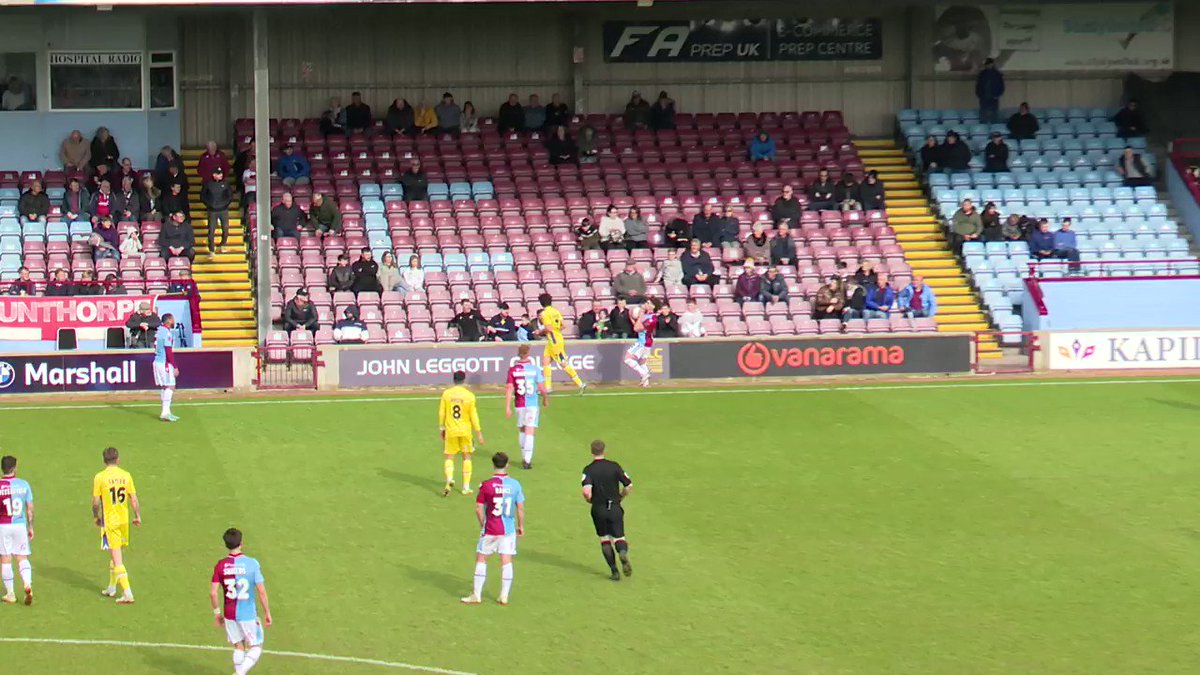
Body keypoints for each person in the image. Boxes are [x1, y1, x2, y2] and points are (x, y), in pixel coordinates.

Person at [461, 452, 524, 606]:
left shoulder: (486, 485)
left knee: (482, 558)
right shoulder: (515, 484)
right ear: (507, 465)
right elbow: (520, 508)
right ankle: (504, 596)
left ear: (493, 465)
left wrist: (483, 523)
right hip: (508, 530)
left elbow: (478, 508)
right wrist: (521, 526)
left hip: (490, 528)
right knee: (506, 560)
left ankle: (477, 595)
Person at [210, 527, 272, 675]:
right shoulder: (252, 563)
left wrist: (217, 613)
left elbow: (213, 593)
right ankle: (239, 673)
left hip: (229, 614)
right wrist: (267, 612)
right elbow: (261, 591)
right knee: (256, 646)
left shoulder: (220, 565)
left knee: (239, 646)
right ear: (241, 543)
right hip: (248, 613)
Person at [92, 446, 141, 603]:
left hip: (111, 522)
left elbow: (95, 502)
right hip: (123, 520)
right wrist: (137, 516)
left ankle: (128, 593)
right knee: (115, 552)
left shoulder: (100, 477)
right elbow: (133, 499)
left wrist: (96, 517)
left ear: (104, 461)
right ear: (118, 459)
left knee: (117, 558)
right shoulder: (126, 475)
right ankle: (112, 587)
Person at [581, 440, 633, 581]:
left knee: (604, 539)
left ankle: (614, 571)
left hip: (598, 508)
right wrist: (620, 496)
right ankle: (622, 551)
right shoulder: (614, 466)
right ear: (604, 450)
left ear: (592, 452)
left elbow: (586, 492)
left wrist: (589, 499)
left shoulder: (588, 470)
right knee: (619, 537)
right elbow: (629, 485)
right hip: (615, 506)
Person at [439, 370, 485, 496]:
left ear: (453, 380)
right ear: (463, 380)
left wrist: (441, 428)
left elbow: (442, 413)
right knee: (466, 457)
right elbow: (473, 415)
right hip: (465, 431)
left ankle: (449, 479)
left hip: (451, 430)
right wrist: (479, 432)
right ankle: (465, 487)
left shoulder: (446, 394)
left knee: (449, 456)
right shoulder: (469, 396)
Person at [505, 344, 549, 469]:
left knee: (522, 430)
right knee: (530, 430)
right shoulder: (534, 369)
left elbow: (509, 389)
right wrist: (545, 399)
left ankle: (524, 456)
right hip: (532, 404)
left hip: (519, 404)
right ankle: (527, 460)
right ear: (528, 354)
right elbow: (542, 388)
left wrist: (507, 407)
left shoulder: (513, 370)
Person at [0, 454, 34, 606]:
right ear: (14, 468)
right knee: (22, 557)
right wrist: (30, 526)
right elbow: (30, 509)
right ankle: (27, 584)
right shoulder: (24, 484)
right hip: (19, 525)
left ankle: (11, 594)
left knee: (5, 558)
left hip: (3, 525)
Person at [536, 293, 585, 393]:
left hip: (554, 341)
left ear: (541, 303)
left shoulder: (545, 313)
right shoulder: (556, 311)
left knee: (563, 363)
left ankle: (580, 383)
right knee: (545, 361)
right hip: (554, 340)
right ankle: (548, 387)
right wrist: (556, 330)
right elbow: (563, 326)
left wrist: (539, 332)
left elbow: (548, 329)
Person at [624, 298, 659, 388]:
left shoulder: (652, 318)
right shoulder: (646, 315)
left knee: (627, 359)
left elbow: (637, 328)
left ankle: (644, 374)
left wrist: (640, 316)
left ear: (653, 306)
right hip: (646, 342)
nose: (646, 304)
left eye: (648, 303)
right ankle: (646, 383)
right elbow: (636, 326)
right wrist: (632, 318)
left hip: (643, 342)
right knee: (642, 362)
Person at [152, 313, 180, 421]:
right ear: (168, 321)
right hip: (164, 363)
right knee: (170, 386)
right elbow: (168, 351)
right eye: (173, 319)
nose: (174, 321)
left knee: (165, 387)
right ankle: (165, 413)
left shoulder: (159, 331)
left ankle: (167, 412)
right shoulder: (167, 333)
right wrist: (175, 366)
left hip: (157, 361)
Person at [201, 169, 232, 254]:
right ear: (214, 174)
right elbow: (203, 196)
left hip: (223, 210)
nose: (220, 175)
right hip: (212, 210)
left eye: (221, 173)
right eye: (218, 174)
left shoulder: (225, 183)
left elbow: (230, 196)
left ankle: (223, 244)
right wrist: (209, 205)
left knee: (226, 229)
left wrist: (225, 204)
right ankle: (211, 249)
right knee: (211, 230)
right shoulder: (208, 184)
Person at [975, 58, 1005, 123]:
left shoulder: (997, 74)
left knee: (994, 112)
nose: (988, 65)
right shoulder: (982, 74)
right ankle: (984, 125)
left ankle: (994, 125)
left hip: (994, 97)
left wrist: (998, 95)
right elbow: (978, 85)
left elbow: (1002, 86)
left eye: (990, 64)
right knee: (983, 112)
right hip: (984, 97)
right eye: (987, 64)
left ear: (992, 64)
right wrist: (979, 95)